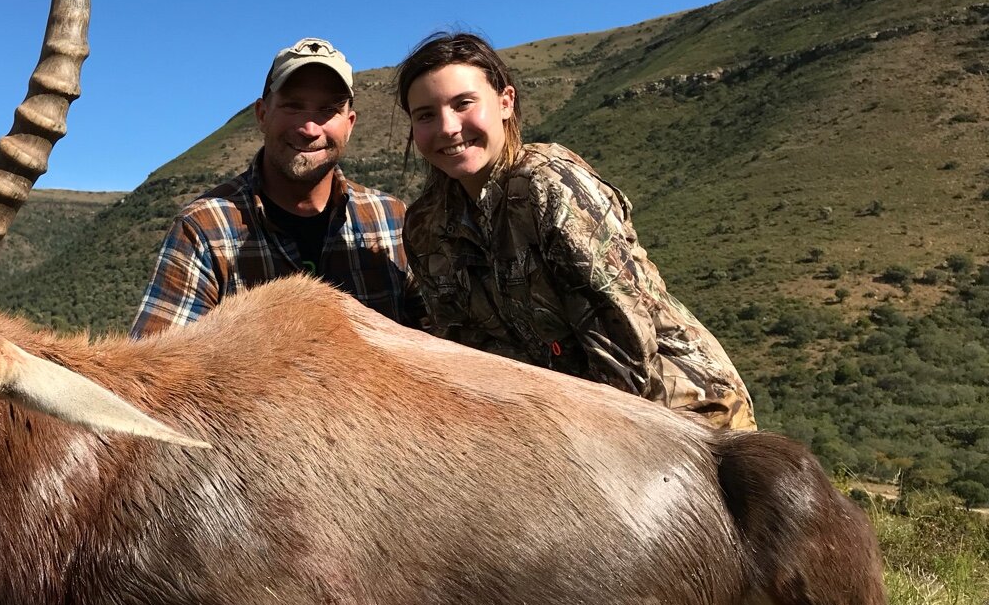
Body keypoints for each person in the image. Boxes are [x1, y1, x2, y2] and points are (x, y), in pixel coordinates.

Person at [395, 31, 755, 430]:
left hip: (677, 416)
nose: (447, 127)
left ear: (505, 102)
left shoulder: (550, 185)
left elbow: (625, 354)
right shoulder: (426, 225)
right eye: (425, 115)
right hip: (549, 419)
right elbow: (462, 350)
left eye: (463, 103)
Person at [131, 37, 421, 337]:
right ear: (262, 115)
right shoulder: (205, 228)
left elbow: (439, 342)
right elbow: (154, 364)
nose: (309, 129)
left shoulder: (392, 220)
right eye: (293, 106)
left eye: (327, 109)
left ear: (349, 124)